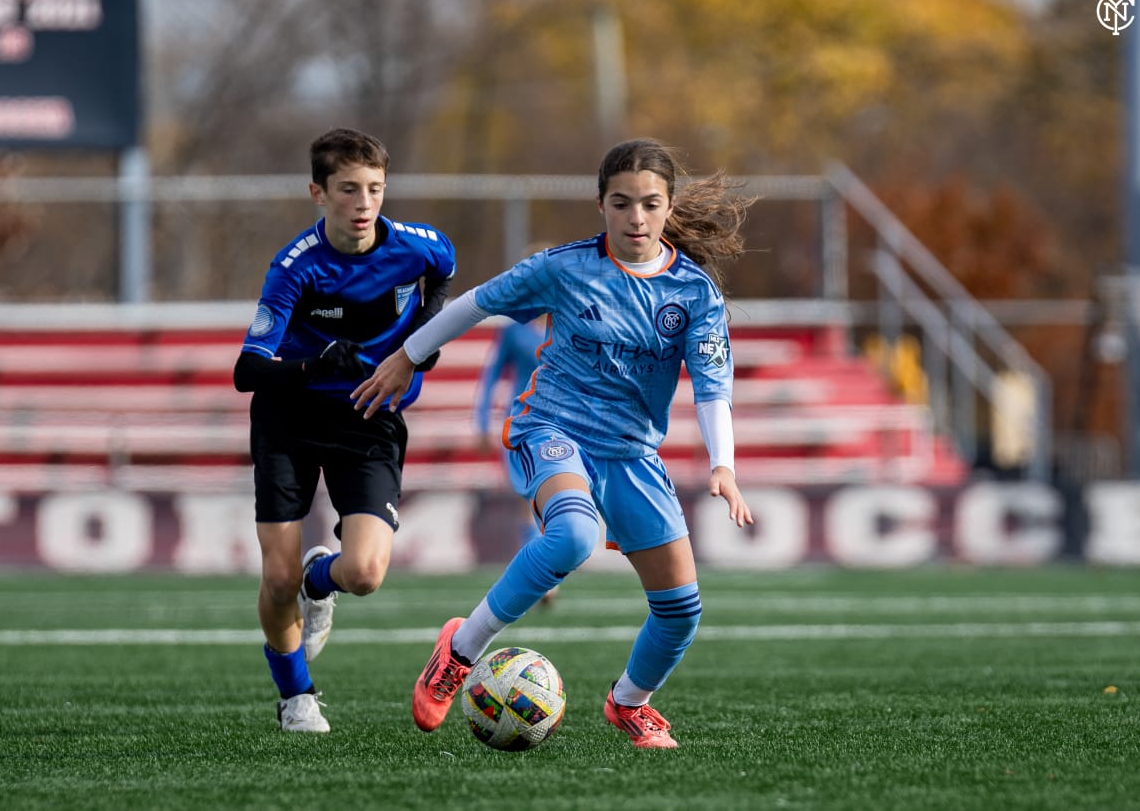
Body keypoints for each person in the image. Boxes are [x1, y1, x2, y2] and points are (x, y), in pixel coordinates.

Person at [353, 138, 754, 749]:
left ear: (669, 206)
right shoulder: (565, 268)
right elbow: (473, 304)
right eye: (622, 203)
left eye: (650, 204)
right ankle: (459, 651)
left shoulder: (695, 293)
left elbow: (711, 387)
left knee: (680, 612)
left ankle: (629, 704)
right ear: (601, 205)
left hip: (632, 453)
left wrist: (722, 465)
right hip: (553, 428)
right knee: (571, 535)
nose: (636, 218)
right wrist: (408, 357)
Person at [233, 127, 455, 733]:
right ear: (318, 192)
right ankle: (295, 695)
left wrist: (422, 339)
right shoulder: (294, 267)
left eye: (376, 189)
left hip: (368, 417)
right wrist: (314, 365)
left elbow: (444, 274)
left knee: (363, 574)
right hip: (290, 416)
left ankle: (319, 578)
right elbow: (246, 370)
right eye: (349, 189)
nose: (364, 203)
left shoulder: (420, 245)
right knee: (275, 578)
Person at [470, 249, 556, 601]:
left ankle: (546, 568)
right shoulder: (513, 328)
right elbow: (491, 375)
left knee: (552, 496)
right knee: (528, 495)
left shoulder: (571, 322)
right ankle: (545, 578)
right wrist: (481, 423)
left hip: (561, 420)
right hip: (519, 422)